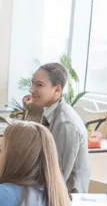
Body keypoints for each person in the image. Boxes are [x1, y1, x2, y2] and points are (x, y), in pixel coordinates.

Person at [27, 63, 90, 193]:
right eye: (32, 83)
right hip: (52, 193)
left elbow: (58, 175)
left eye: (39, 85)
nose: (31, 89)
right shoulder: (50, 113)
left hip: (66, 199)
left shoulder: (66, 124)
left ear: (57, 90)